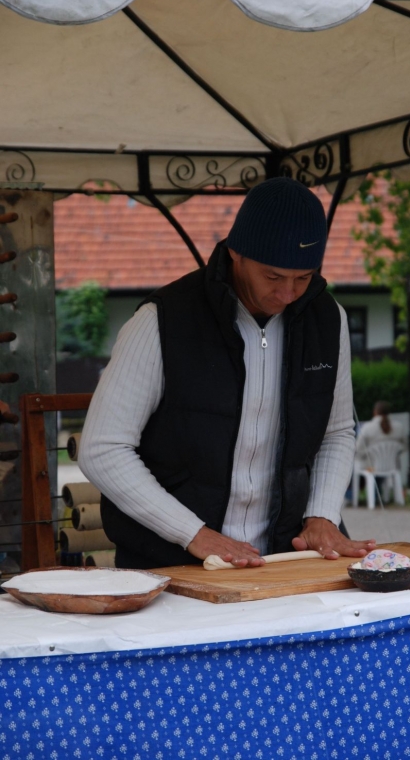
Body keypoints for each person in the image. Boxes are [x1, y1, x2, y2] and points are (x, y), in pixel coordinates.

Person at [79, 178, 376, 569]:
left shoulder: (328, 319)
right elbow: (102, 449)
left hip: (282, 560)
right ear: (237, 253)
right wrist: (193, 534)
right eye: (273, 277)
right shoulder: (163, 319)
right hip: (170, 563)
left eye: (303, 278)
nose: (288, 294)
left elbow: (336, 432)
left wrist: (321, 514)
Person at [355, 401, 407, 465]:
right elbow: (405, 447)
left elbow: (359, 450)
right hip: (394, 467)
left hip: (372, 467)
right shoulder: (399, 427)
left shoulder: (367, 428)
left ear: (375, 412)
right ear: (388, 412)